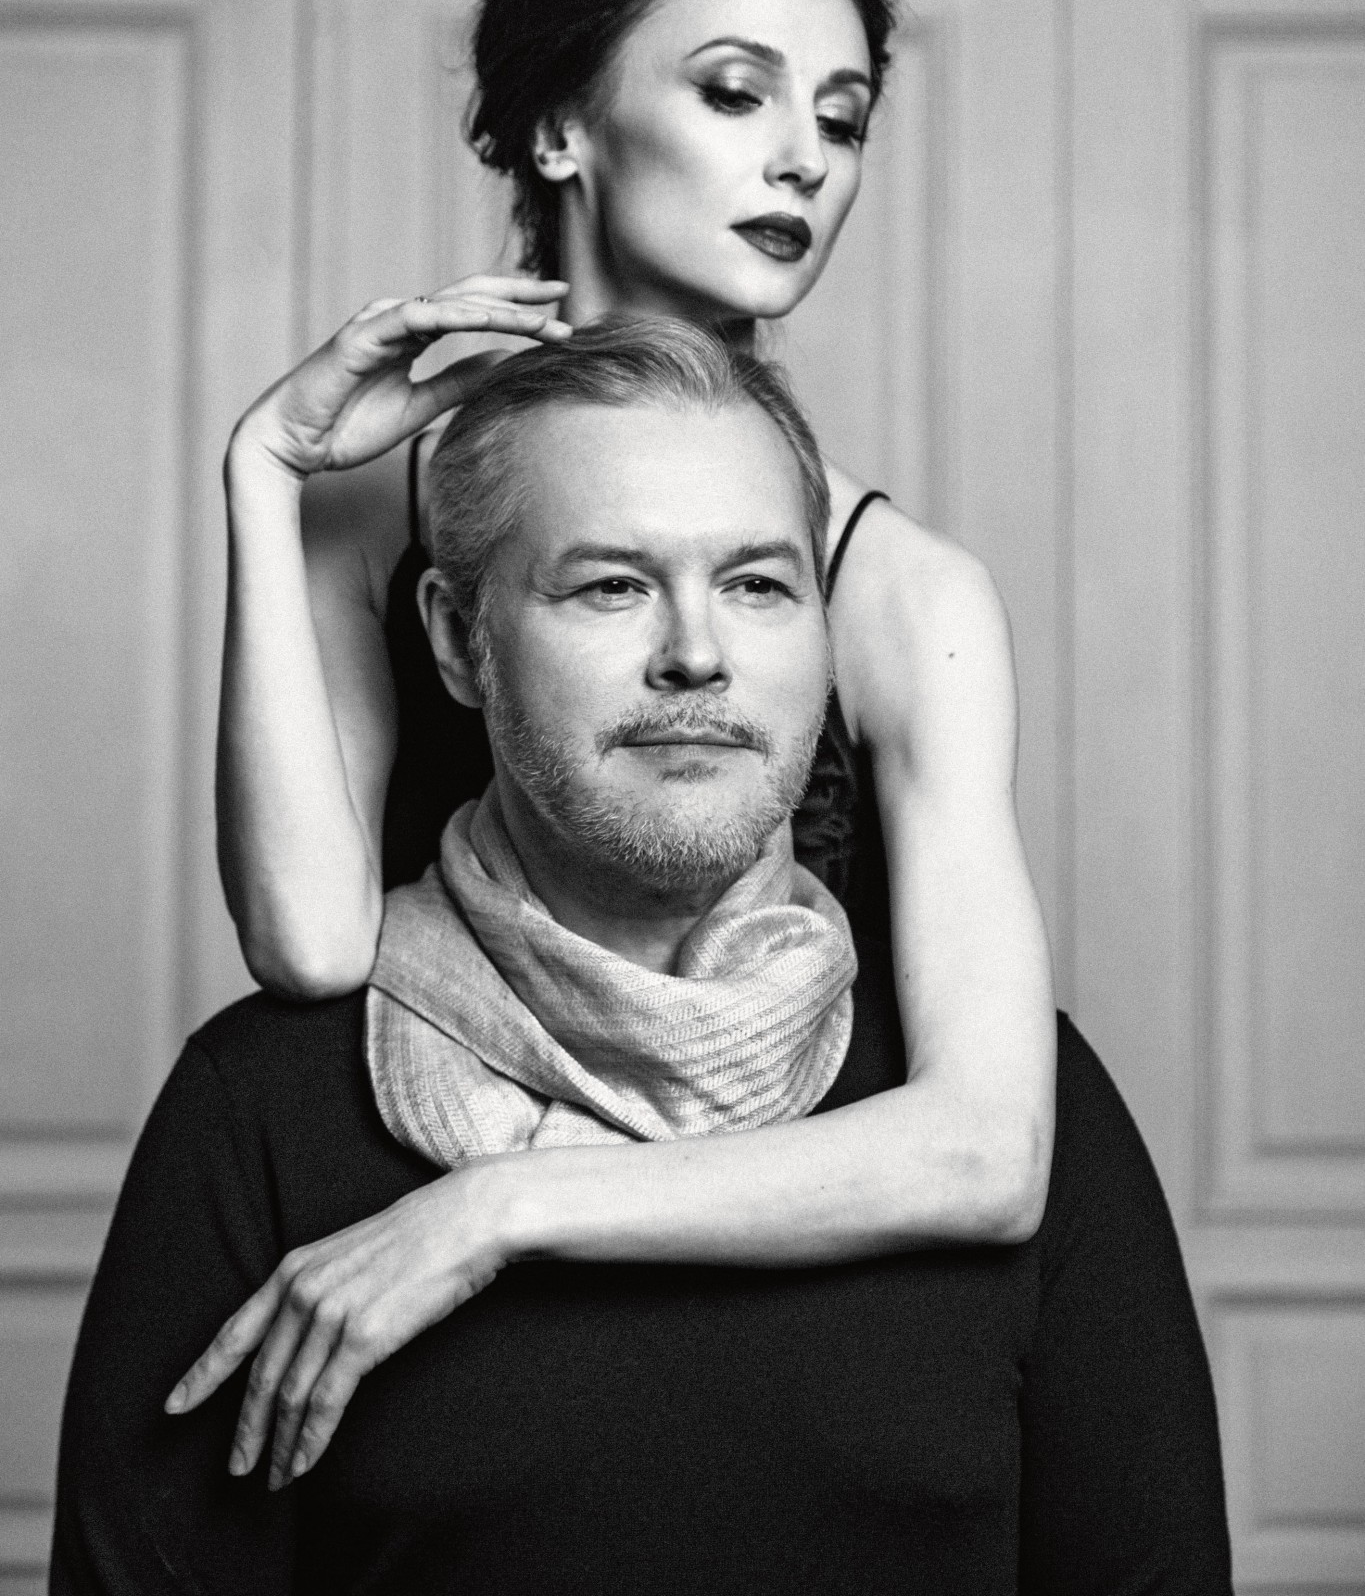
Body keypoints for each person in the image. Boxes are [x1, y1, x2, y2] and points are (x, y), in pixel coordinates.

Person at [53, 323, 1231, 1594]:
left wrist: (503, 1209)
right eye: (612, 585)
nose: (697, 653)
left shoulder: (1018, 1091)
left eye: (759, 585)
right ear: (455, 640)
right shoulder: (264, 1112)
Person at [217, 0, 1056, 1286]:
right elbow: (308, 950)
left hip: (809, 1294)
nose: (804, 158)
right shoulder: (368, 521)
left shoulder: (906, 592)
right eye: (735, 93)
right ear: (561, 128)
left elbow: (988, 1151)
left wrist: (506, 1208)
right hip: (403, 1225)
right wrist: (263, 470)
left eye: (842, 119)